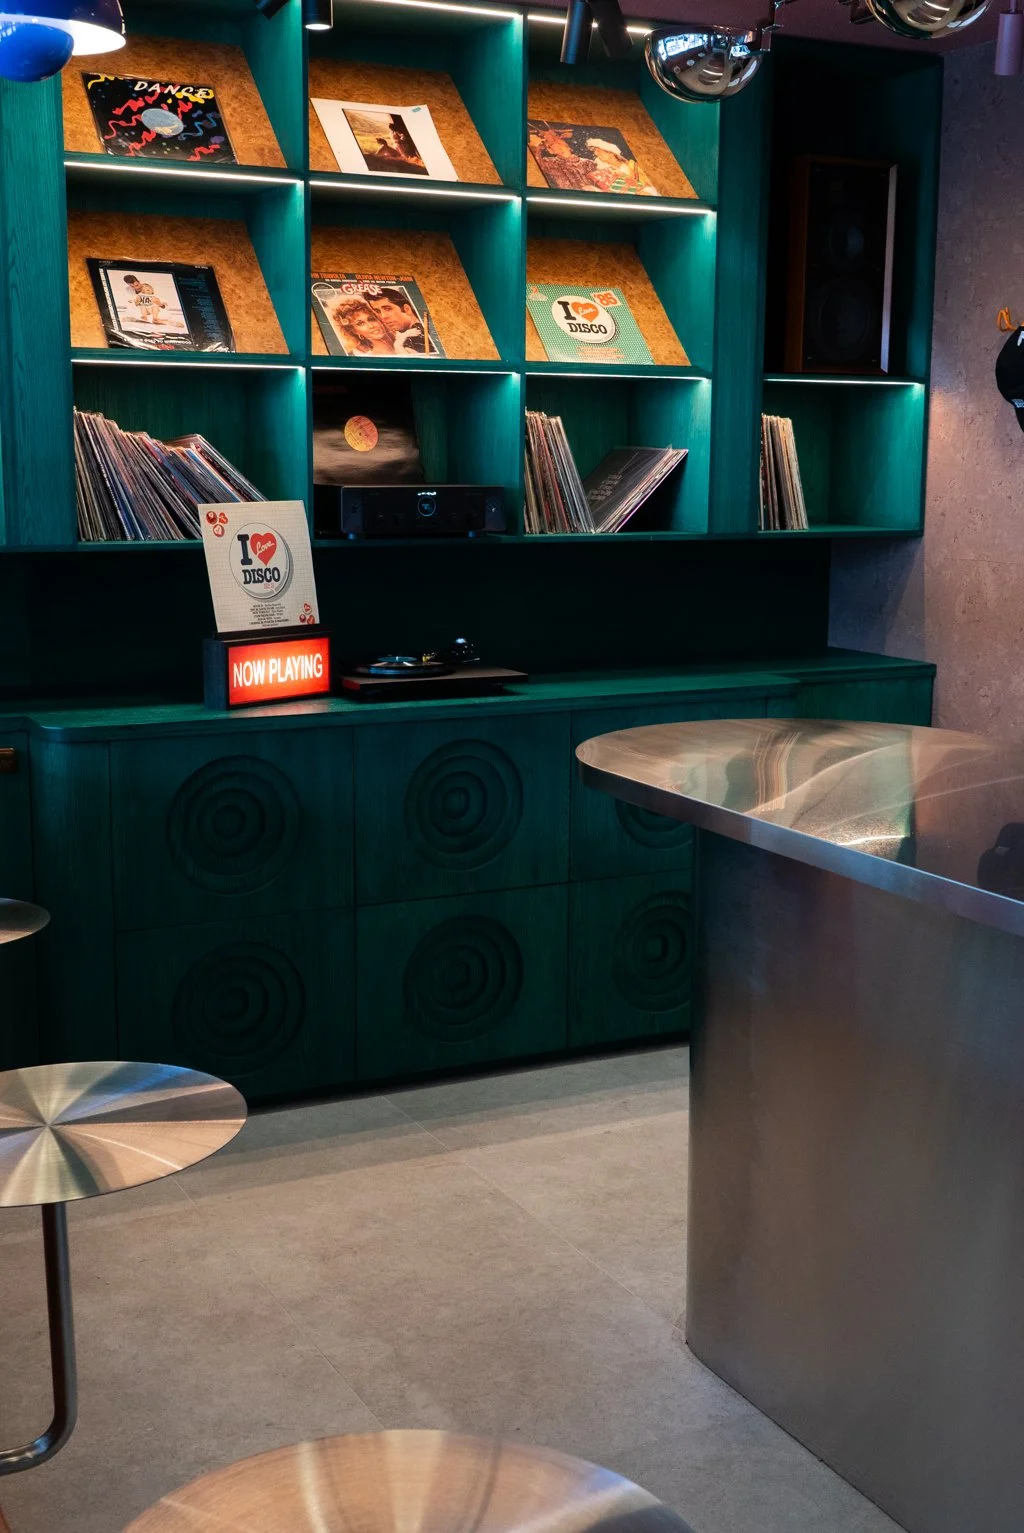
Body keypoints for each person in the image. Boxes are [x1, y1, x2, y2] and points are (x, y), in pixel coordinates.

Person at [366, 286, 433, 354]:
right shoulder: (411, 334)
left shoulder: (411, 340)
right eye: (377, 311)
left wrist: (397, 345)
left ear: (407, 309)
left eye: (388, 309)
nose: (383, 317)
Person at [584, 138, 657, 196]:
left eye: (598, 151)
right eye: (595, 152)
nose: (596, 154)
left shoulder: (631, 165)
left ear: (610, 153)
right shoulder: (604, 171)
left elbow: (645, 182)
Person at [528, 126, 593, 192]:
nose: (559, 148)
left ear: (568, 147)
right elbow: (535, 166)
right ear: (551, 151)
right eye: (553, 146)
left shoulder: (588, 163)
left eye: (560, 144)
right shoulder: (548, 162)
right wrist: (537, 147)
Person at [330, 296, 395, 355]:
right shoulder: (372, 357)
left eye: (371, 319)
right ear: (355, 331)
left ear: (378, 319)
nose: (371, 326)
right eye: (361, 324)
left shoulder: (401, 337)